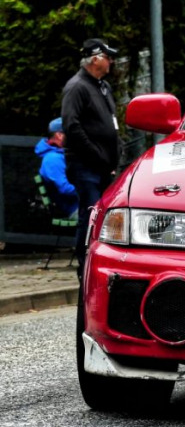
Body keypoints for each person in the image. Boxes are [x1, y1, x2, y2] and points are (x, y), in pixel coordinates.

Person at [62, 38, 121, 274]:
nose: (111, 62)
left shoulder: (102, 86)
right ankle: (85, 267)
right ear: (95, 58)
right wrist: (97, 155)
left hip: (104, 166)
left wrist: (116, 151)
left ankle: (100, 264)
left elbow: (111, 124)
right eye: (108, 57)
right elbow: (71, 126)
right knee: (90, 216)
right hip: (86, 166)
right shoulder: (77, 87)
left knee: (102, 216)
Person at [34, 117, 78, 218]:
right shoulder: (52, 159)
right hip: (75, 208)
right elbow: (65, 188)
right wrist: (90, 188)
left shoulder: (62, 154)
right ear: (59, 135)